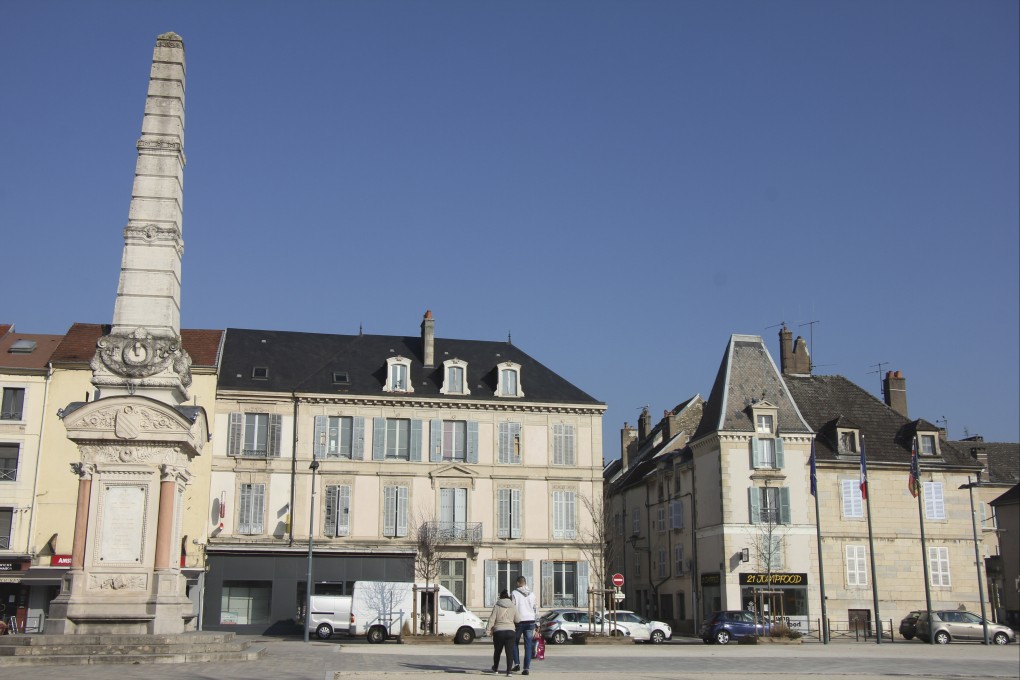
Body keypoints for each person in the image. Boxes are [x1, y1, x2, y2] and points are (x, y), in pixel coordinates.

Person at [486, 589, 520, 676]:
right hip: (510, 631)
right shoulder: (513, 606)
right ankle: (509, 671)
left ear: (500, 596)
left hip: (498, 631)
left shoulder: (497, 606)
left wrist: (488, 630)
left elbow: (492, 619)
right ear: (508, 596)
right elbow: (518, 619)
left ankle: (496, 669)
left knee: (497, 651)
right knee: (509, 652)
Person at [510, 576, 538, 675]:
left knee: (514, 642)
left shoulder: (514, 593)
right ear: (525, 583)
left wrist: (511, 620)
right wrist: (537, 623)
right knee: (528, 645)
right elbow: (535, 608)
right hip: (530, 621)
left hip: (519, 621)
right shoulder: (532, 594)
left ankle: (517, 663)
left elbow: (512, 607)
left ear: (518, 583)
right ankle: (526, 668)